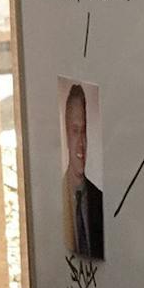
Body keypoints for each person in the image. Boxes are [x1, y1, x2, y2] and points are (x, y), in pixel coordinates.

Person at [63, 82, 104, 261]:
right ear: (65, 134)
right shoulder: (50, 198)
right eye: (75, 131)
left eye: (84, 132)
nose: (81, 142)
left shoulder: (100, 200)